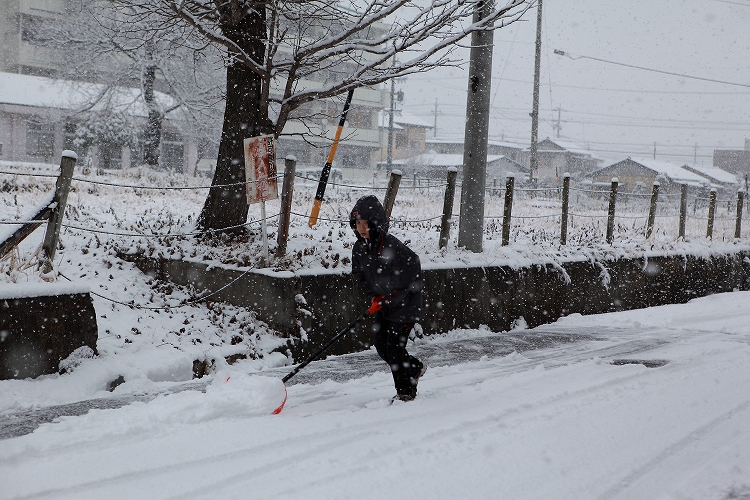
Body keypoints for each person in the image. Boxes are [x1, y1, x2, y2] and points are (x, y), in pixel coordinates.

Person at [349, 195, 426, 402]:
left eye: (366, 223)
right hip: (383, 304)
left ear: (376, 223)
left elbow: (412, 269)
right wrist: (374, 296)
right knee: (381, 345)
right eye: (358, 223)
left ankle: (406, 392)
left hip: (405, 303)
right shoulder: (360, 248)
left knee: (394, 348)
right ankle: (415, 367)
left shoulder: (391, 246)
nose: (362, 228)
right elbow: (360, 275)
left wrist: (391, 297)